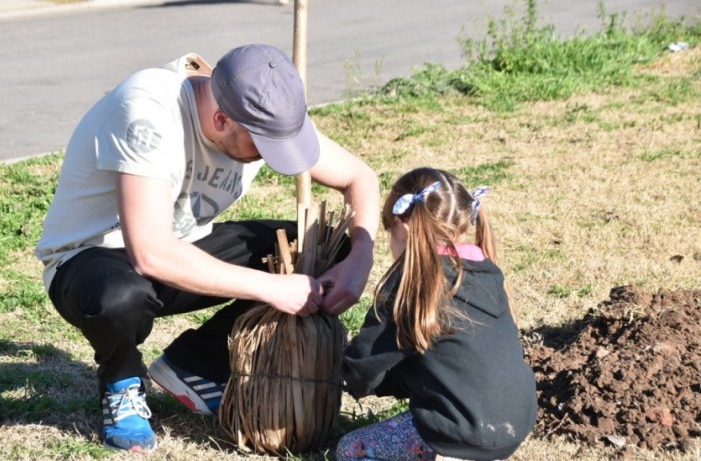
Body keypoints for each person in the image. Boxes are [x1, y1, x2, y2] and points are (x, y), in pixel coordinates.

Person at [35, 44, 379, 452]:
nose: (271, 159)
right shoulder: (147, 111)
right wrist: (270, 287)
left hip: (180, 246)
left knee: (323, 249)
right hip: (92, 261)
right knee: (121, 297)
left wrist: (359, 258)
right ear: (220, 120)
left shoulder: (262, 107)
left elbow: (360, 177)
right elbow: (150, 253)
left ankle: (193, 365)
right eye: (263, 149)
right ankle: (121, 379)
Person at [336, 168, 536, 461]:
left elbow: (363, 366)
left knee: (350, 449)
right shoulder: (486, 270)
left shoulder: (411, 279)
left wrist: (344, 375)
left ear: (401, 228)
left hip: (458, 433)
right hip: (514, 426)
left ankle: (449, 455)